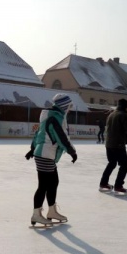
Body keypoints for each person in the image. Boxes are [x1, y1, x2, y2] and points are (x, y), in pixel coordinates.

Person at [25, 93, 78, 226]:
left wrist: (32, 149)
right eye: (69, 106)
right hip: (45, 155)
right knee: (43, 185)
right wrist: (72, 152)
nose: (70, 108)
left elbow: (38, 133)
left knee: (53, 182)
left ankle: (52, 211)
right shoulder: (54, 117)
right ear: (64, 106)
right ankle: (36, 214)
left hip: (45, 154)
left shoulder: (51, 116)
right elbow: (61, 137)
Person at [99, 98, 127, 194]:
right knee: (124, 165)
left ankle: (103, 183)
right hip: (118, 145)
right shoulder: (123, 115)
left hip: (109, 144)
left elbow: (114, 129)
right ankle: (118, 186)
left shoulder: (111, 114)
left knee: (112, 163)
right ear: (126, 107)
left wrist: (124, 138)